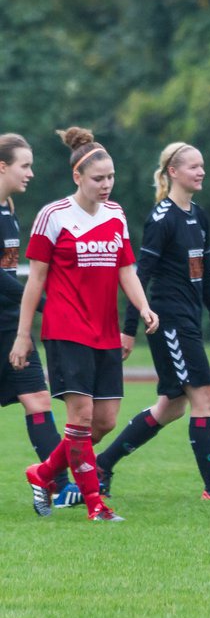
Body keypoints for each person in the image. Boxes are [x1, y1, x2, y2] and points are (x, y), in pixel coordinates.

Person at [13, 127, 158, 522]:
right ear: (77, 177)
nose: (106, 185)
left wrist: (143, 307)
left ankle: (42, 473)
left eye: (111, 177)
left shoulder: (116, 215)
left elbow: (127, 268)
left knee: (103, 422)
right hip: (65, 328)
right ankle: (96, 505)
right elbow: (35, 280)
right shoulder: (53, 216)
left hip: (105, 331)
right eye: (98, 178)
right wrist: (23, 335)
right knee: (79, 419)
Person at [95, 143, 210, 501]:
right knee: (204, 396)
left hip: (190, 320)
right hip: (169, 321)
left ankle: (103, 463)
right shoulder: (162, 219)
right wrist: (128, 330)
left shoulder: (199, 216)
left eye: (203, 166)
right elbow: (139, 275)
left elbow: (205, 272)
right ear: (172, 173)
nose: (201, 172)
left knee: (173, 405)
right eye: (194, 166)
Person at [0, 134, 81, 509]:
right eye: (24, 165)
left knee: (37, 399)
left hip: (10, 323)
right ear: (3, 167)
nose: (31, 172)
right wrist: (47, 304)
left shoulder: (9, 208)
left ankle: (59, 484)